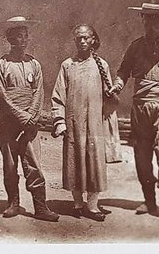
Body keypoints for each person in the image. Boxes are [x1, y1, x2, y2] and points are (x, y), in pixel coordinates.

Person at [106, 3, 159, 222]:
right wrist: (117, 86)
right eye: (148, 19)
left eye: (156, 19)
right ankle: (149, 201)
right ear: (142, 19)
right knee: (142, 156)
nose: (152, 23)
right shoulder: (135, 47)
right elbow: (124, 71)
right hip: (140, 107)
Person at [51, 25, 121, 221]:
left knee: (94, 163)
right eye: (78, 38)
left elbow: (109, 98)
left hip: (94, 125)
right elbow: (58, 96)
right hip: (74, 124)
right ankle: (77, 204)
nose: (82, 41)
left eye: (86, 38)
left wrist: (111, 95)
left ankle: (92, 205)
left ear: (93, 40)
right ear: (75, 41)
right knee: (74, 162)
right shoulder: (67, 65)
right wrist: (60, 121)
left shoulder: (101, 65)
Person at [0, 17, 58, 222]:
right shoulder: (1, 64)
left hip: (30, 123)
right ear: (10, 39)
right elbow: (1, 95)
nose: (23, 40)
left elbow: (39, 91)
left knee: (33, 164)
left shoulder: (34, 64)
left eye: (25, 36)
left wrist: (32, 116)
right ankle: (13, 203)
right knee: (10, 164)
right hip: (8, 122)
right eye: (18, 36)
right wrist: (21, 116)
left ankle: (41, 207)